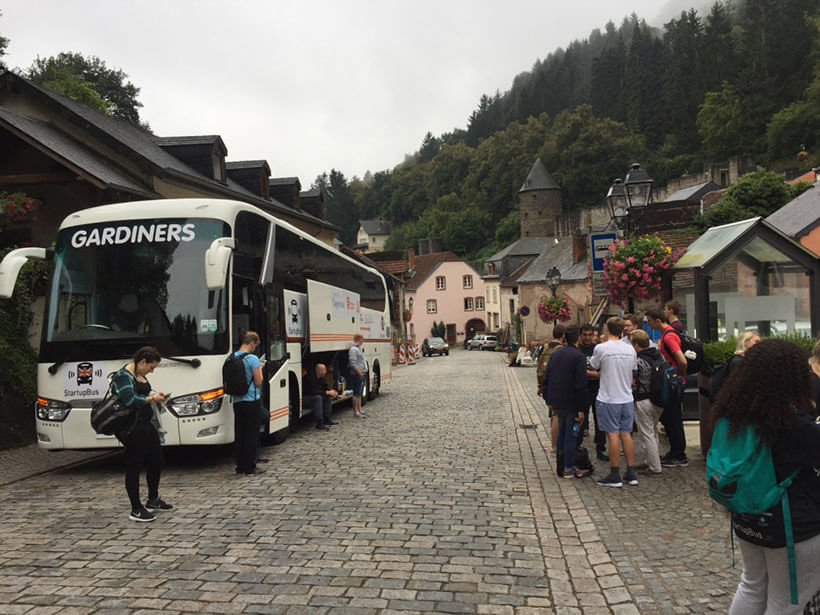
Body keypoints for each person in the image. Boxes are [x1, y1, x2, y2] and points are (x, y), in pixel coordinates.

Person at [713, 339, 820, 614]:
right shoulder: (790, 424)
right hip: (791, 526)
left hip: (748, 517)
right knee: (786, 603)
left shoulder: (734, 412)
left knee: (752, 586)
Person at [111, 346, 170, 522]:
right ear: (142, 361)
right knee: (134, 465)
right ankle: (136, 508)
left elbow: (143, 393)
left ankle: (153, 499)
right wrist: (152, 399)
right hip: (132, 427)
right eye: (151, 367)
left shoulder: (139, 374)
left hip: (146, 424)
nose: (152, 371)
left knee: (157, 460)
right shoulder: (123, 376)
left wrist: (154, 395)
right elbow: (129, 400)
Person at [590, 317, 639, 488]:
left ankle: (614, 473)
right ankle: (631, 472)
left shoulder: (601, 348)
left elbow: (594, 366)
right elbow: (633, 370)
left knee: (612, 435)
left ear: (607, 329)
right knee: (626, 434)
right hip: (626, 397)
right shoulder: (630, 349)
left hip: (609, 397)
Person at [542, 326, 588, 479]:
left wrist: (548, 398)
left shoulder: (556, 354)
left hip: (557, 399)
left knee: (562, 431)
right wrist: (582, 409)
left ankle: (561, 466)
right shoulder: (579, 357)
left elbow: (547, 376)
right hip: (571, 401)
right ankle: (568, 466)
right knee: (571, 434)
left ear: (564, 338)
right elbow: (580, 384)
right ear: (578, 338)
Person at [646, 307, 689, 468]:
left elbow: (682, 360)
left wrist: (678, 376)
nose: (648, 325)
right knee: (670, 419)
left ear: (657, 320)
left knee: (673, 419)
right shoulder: (667, 334)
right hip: (673, 382)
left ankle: (679, 454)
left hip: (673, 384)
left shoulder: (669, 336)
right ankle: (675, 451)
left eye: (649, 321)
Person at [231, 331, 265, 475]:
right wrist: (260, 369)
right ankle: (250, 466)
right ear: (251, 342)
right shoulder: (252, 358)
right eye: (255, 345)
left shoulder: (231, 357)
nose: (255, 348)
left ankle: (240, 465)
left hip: (237, 400)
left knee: (240, 433)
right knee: (251, 434)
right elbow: (259, 381)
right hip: (251, 400)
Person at [630, 330, 663, 476]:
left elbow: (632, 378)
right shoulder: (657, 355)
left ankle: (655, 467)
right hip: (659, 399)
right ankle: (652, 460)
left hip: (644, 399)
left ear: (636, 345)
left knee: (647, 433)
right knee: (653, 431)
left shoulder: (638, 360)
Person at [579, 323, 608, 461]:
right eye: (585, 335)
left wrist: (593, 374)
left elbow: (605, 368)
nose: (587, 338)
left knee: (600, 420)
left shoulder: (598, 349)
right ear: (580, 335)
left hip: (598, 389)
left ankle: (601, 447)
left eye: (590, 335)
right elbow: (575, 371)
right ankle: (577, 448)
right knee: (580, 419)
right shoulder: (577, 350)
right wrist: (592, 373)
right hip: (582, 390)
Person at [536, 324, 566, 454]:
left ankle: (553, 443)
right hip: (556, 385)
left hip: (546, 384)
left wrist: (540, 385)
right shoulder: (561, 349)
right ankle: (555, 445)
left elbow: (539, 366)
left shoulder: (546, 347)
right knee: (556, 417)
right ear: (563, 335)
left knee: (552, 415)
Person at [302, 362, 339, 430]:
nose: (326, 372)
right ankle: (319, 422)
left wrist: (332, 392)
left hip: (311, 397)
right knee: (318, 398)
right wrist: (327, 392)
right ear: (320, 371)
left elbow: (325, 386)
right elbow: (314, 392)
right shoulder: (310, 377)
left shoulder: (320, 378)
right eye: (324, 370)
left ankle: (327, 419)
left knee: (326, 397)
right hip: (304, 398)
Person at [349, 333, 369, 418]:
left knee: (359, 393)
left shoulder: (358, 348)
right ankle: (356, 411)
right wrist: (359, 372)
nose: (363, 341)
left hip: (361, 373)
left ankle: (360, 409)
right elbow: (352, 363)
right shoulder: (353, 349)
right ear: (359, 339)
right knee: (356, 393)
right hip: (357, 374)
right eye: (362, 339)